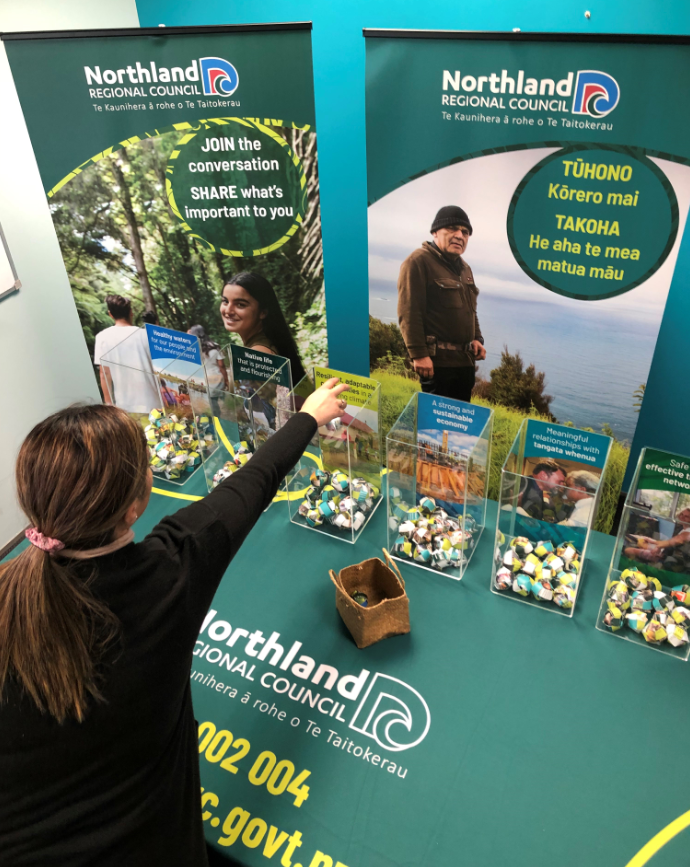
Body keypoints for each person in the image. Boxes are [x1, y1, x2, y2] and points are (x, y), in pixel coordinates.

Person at [0, 378, 349, 866]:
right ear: (137, 503)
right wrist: (309, 416)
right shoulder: (169, 577)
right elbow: (252, 482)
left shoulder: (10, 590)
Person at [397, 206, 486, 402]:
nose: (459, 236)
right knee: (435, 428)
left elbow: (470, 309)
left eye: (465, 232)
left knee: (459, 424)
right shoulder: (418, 261)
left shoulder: (464, 268)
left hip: (464, 362)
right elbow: (409, 313)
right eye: (452, 229)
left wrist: (477, 338)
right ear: (435, 232)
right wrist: (419, 355)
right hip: (438, 364)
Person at [219, 272, 306, 384]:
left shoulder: (258, 355)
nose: (228, 310)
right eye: (225, 301)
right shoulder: (267, 342)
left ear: (263, 312)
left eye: (240, 304)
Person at [94, 294, 161, 413]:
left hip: (125, 406)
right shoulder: (146, 335)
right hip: (153, 403)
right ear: (131, 312)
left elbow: (104, 373)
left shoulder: (102, 338)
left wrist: (109, 404)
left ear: (110, 314)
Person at [188, 325, 229, 417]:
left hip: (205, 381)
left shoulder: (193, 350)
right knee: (224, 399)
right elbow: (221, 365)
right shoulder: (215, 346)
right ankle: (230, 415)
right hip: (218, 380)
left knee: (212, 402)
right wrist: (226, 379)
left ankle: (217, 419)